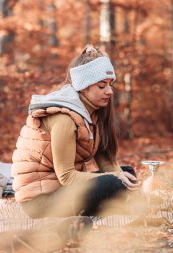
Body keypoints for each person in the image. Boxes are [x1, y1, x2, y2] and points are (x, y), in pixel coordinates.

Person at [11, 45, 140, 219]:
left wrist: (122, 179)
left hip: (63, 191)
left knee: (127, 173)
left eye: (110, 85)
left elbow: (107, 164)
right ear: (83, 87)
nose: (109, 91)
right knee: (113, 182)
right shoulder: (64, 119)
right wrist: (115, 179)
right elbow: (67, 177)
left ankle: (109, 207)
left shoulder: (92, 115)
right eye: (102, 86)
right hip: (40, 201)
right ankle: (95, 213)